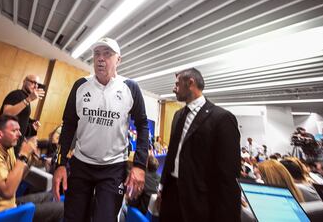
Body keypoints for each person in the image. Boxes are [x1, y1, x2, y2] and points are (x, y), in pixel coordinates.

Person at [52, 37, 149, 222]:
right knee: (72, 218)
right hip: (81, 164)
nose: (100, 59)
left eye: (107, 54)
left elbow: (143, 125)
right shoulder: (80, 85)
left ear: (118, 59)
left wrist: (139, 165)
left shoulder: (130, 87)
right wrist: (60, 164)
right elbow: (69, 125)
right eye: (97, 54)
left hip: (113, 168)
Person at [158, 68, 241, 222]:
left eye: (177, 84)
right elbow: (172, 154)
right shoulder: (178, 115)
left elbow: (228, 175)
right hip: (171, 196)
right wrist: (162, 187)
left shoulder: (222, 119)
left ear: (190, 83)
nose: (173, 88)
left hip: (198, 202)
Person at [0, 115, 63, 221]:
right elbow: (7, 192)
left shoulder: (7, 149)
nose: (19, 134)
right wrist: (23, 155)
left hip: (9, 204)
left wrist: (29, 160)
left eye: (19, 130)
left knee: (50, 196)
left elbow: (17, 178)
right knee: (62, 208)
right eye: (15, 130)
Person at [0, 75, 45, 153]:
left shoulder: (25, 99)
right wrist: (29, 99)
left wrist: (32, 125)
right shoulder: (16, 94)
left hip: (16, 144)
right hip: (6, 142)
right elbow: (6, 113)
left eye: (37, 84)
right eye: (33, 82)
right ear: (24, 81)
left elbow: (20, 120)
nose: (36, 86)